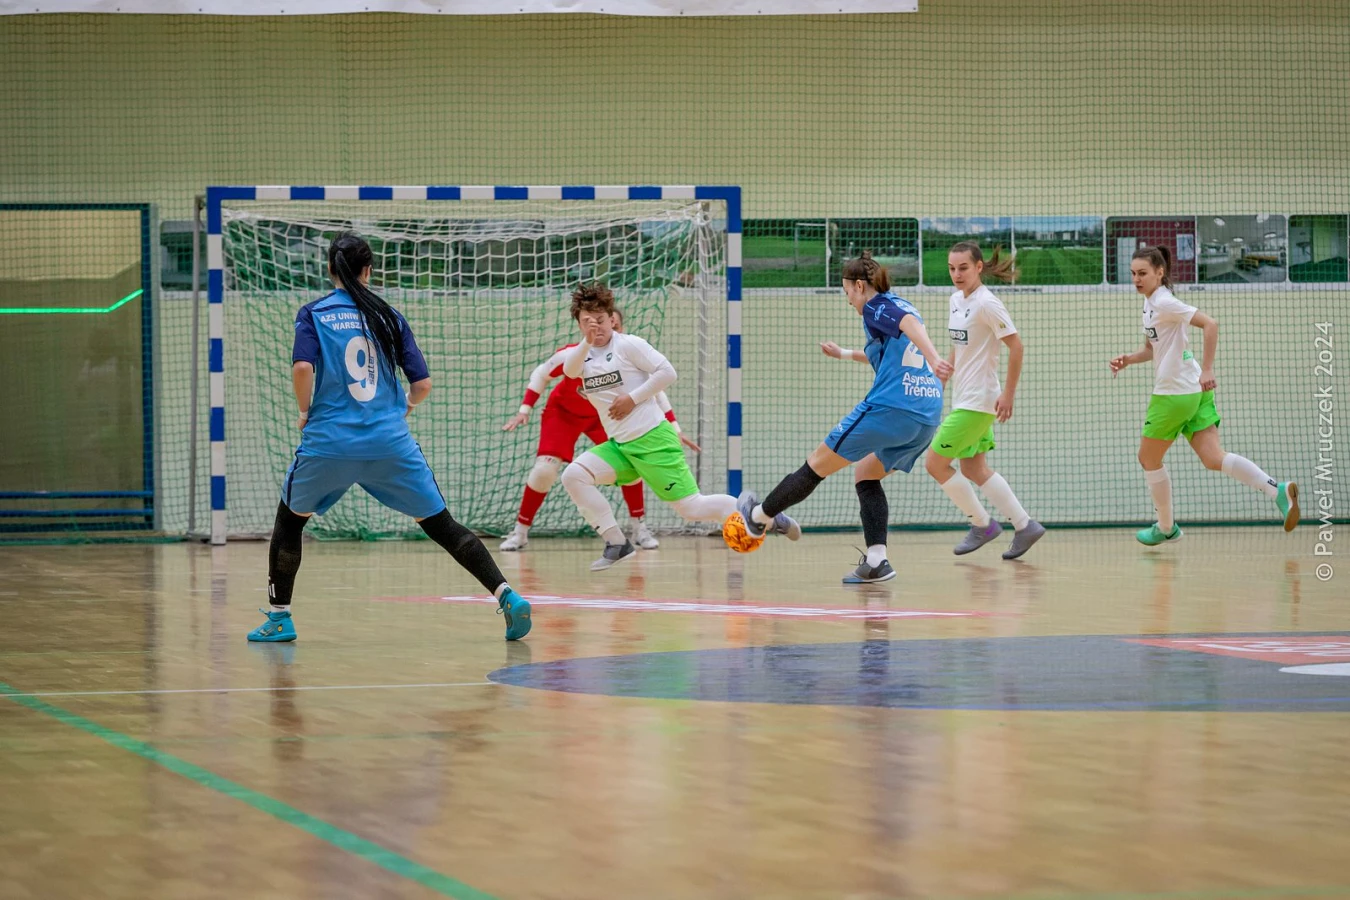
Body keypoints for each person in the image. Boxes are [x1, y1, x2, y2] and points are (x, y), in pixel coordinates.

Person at [247, 232, 531, 643]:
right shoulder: (389, 316)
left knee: (289, 522)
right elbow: (423, 384)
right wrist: (406, 407)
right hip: (390, 443)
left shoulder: (314, 313)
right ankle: (506, 594)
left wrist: (304, 411)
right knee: (442, 525)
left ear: (329, 269)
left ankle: (279, 618)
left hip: (330, 443)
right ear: (368, 270)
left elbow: (302, 368)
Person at [738, 253, 952, 584]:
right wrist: (843, 353)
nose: (848, 299)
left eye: (847, 292)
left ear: (859, 286)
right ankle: (877, 561)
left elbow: (906, 324)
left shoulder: (876, 306)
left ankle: (759, 516)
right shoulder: (900, 303)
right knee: (866, 473)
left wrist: (935, 357)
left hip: (891, 408)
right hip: (926, 416)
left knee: (816, 464)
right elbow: (887, 351)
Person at [559, 283, 796, 570]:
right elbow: (569, 371)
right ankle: (616, 543)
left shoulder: (628, 345)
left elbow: (667, 372)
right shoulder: (582, 355)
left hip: (652, 439)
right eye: (588, 321)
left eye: (600, 319)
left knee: (691, 508)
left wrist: (632, 399)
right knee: (573, 475)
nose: (595, 326)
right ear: (579, 325)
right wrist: (586, 341)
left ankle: (763, 514)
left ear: (612, 319)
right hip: (621, 446)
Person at [1110, 244, 1299, 545]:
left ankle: (1166, 527)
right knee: (1213, 458)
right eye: (1133, 273)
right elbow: (1152, 348)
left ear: (1159, 272)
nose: (1136, 279)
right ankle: (1276, 490)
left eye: (1142, 273)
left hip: (1174, 394)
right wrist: (1129, 359)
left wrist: (1209, 369)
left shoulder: (1164, 301)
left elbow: (1210, 324)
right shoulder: (1151, 303)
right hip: (1193, 391)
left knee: (1147, 458)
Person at [500, 309, 699, 552]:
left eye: (611, 324)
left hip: (606, 417)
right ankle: (520, 532)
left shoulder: (626, 352)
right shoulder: (573, 355)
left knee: (632, 464)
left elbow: (656, 390)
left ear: (617, 327)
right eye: (593, 323)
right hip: (563, 414)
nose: (604, 329)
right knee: (544, 470)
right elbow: (542, 373)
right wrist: (524, 409)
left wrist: (675, 428)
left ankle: (639, 528)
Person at [924, 242, 1046, 559]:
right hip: (963, 397)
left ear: (978, 267)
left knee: (934, 463)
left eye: (963, 268)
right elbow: (960, 344)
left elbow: (1017, 347)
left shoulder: (987, 303)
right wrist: (946, 371)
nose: (956, 274)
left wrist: (1008, 395)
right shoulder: (955, 300)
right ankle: (1025, 525)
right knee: (974, 468)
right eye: (952, 268)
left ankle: (982, 524)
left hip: (979, 401)